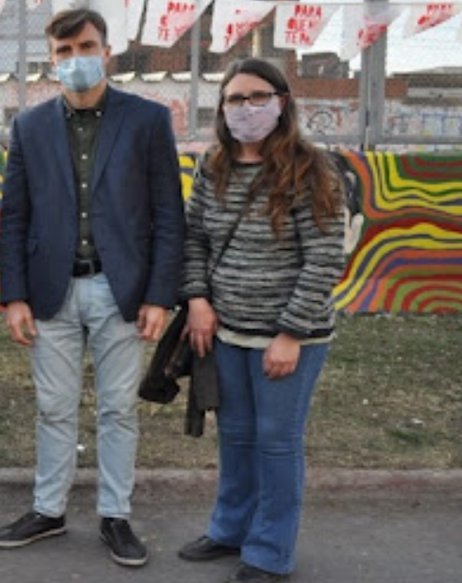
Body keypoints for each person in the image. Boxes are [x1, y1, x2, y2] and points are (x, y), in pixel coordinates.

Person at [0, 8, 185, 568]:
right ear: (51, 59)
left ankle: (115, 516)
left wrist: (157, 296)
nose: (77, 60)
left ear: (107, 51)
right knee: (53, 408)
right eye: (65, 52)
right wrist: (15, 295)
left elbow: (169, 212)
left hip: (121, 291)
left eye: (87, 47)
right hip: (52, 291)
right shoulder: (29, 126)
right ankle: (47, 511)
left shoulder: (147, 121)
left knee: (119, 409)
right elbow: (16, 215)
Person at [176, 58, 344, 583]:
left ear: (281, 102)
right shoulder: (213, 165)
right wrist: (198, 299)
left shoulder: (310, 168)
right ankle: (230, 529)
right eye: (234, 99)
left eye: (257, 97)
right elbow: (196, 236)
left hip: (288, 339)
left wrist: (290, 334)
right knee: (237, 435)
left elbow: (324, 258)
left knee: (276, 440)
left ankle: (270, 551)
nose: (245, 109)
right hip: (227, 331)